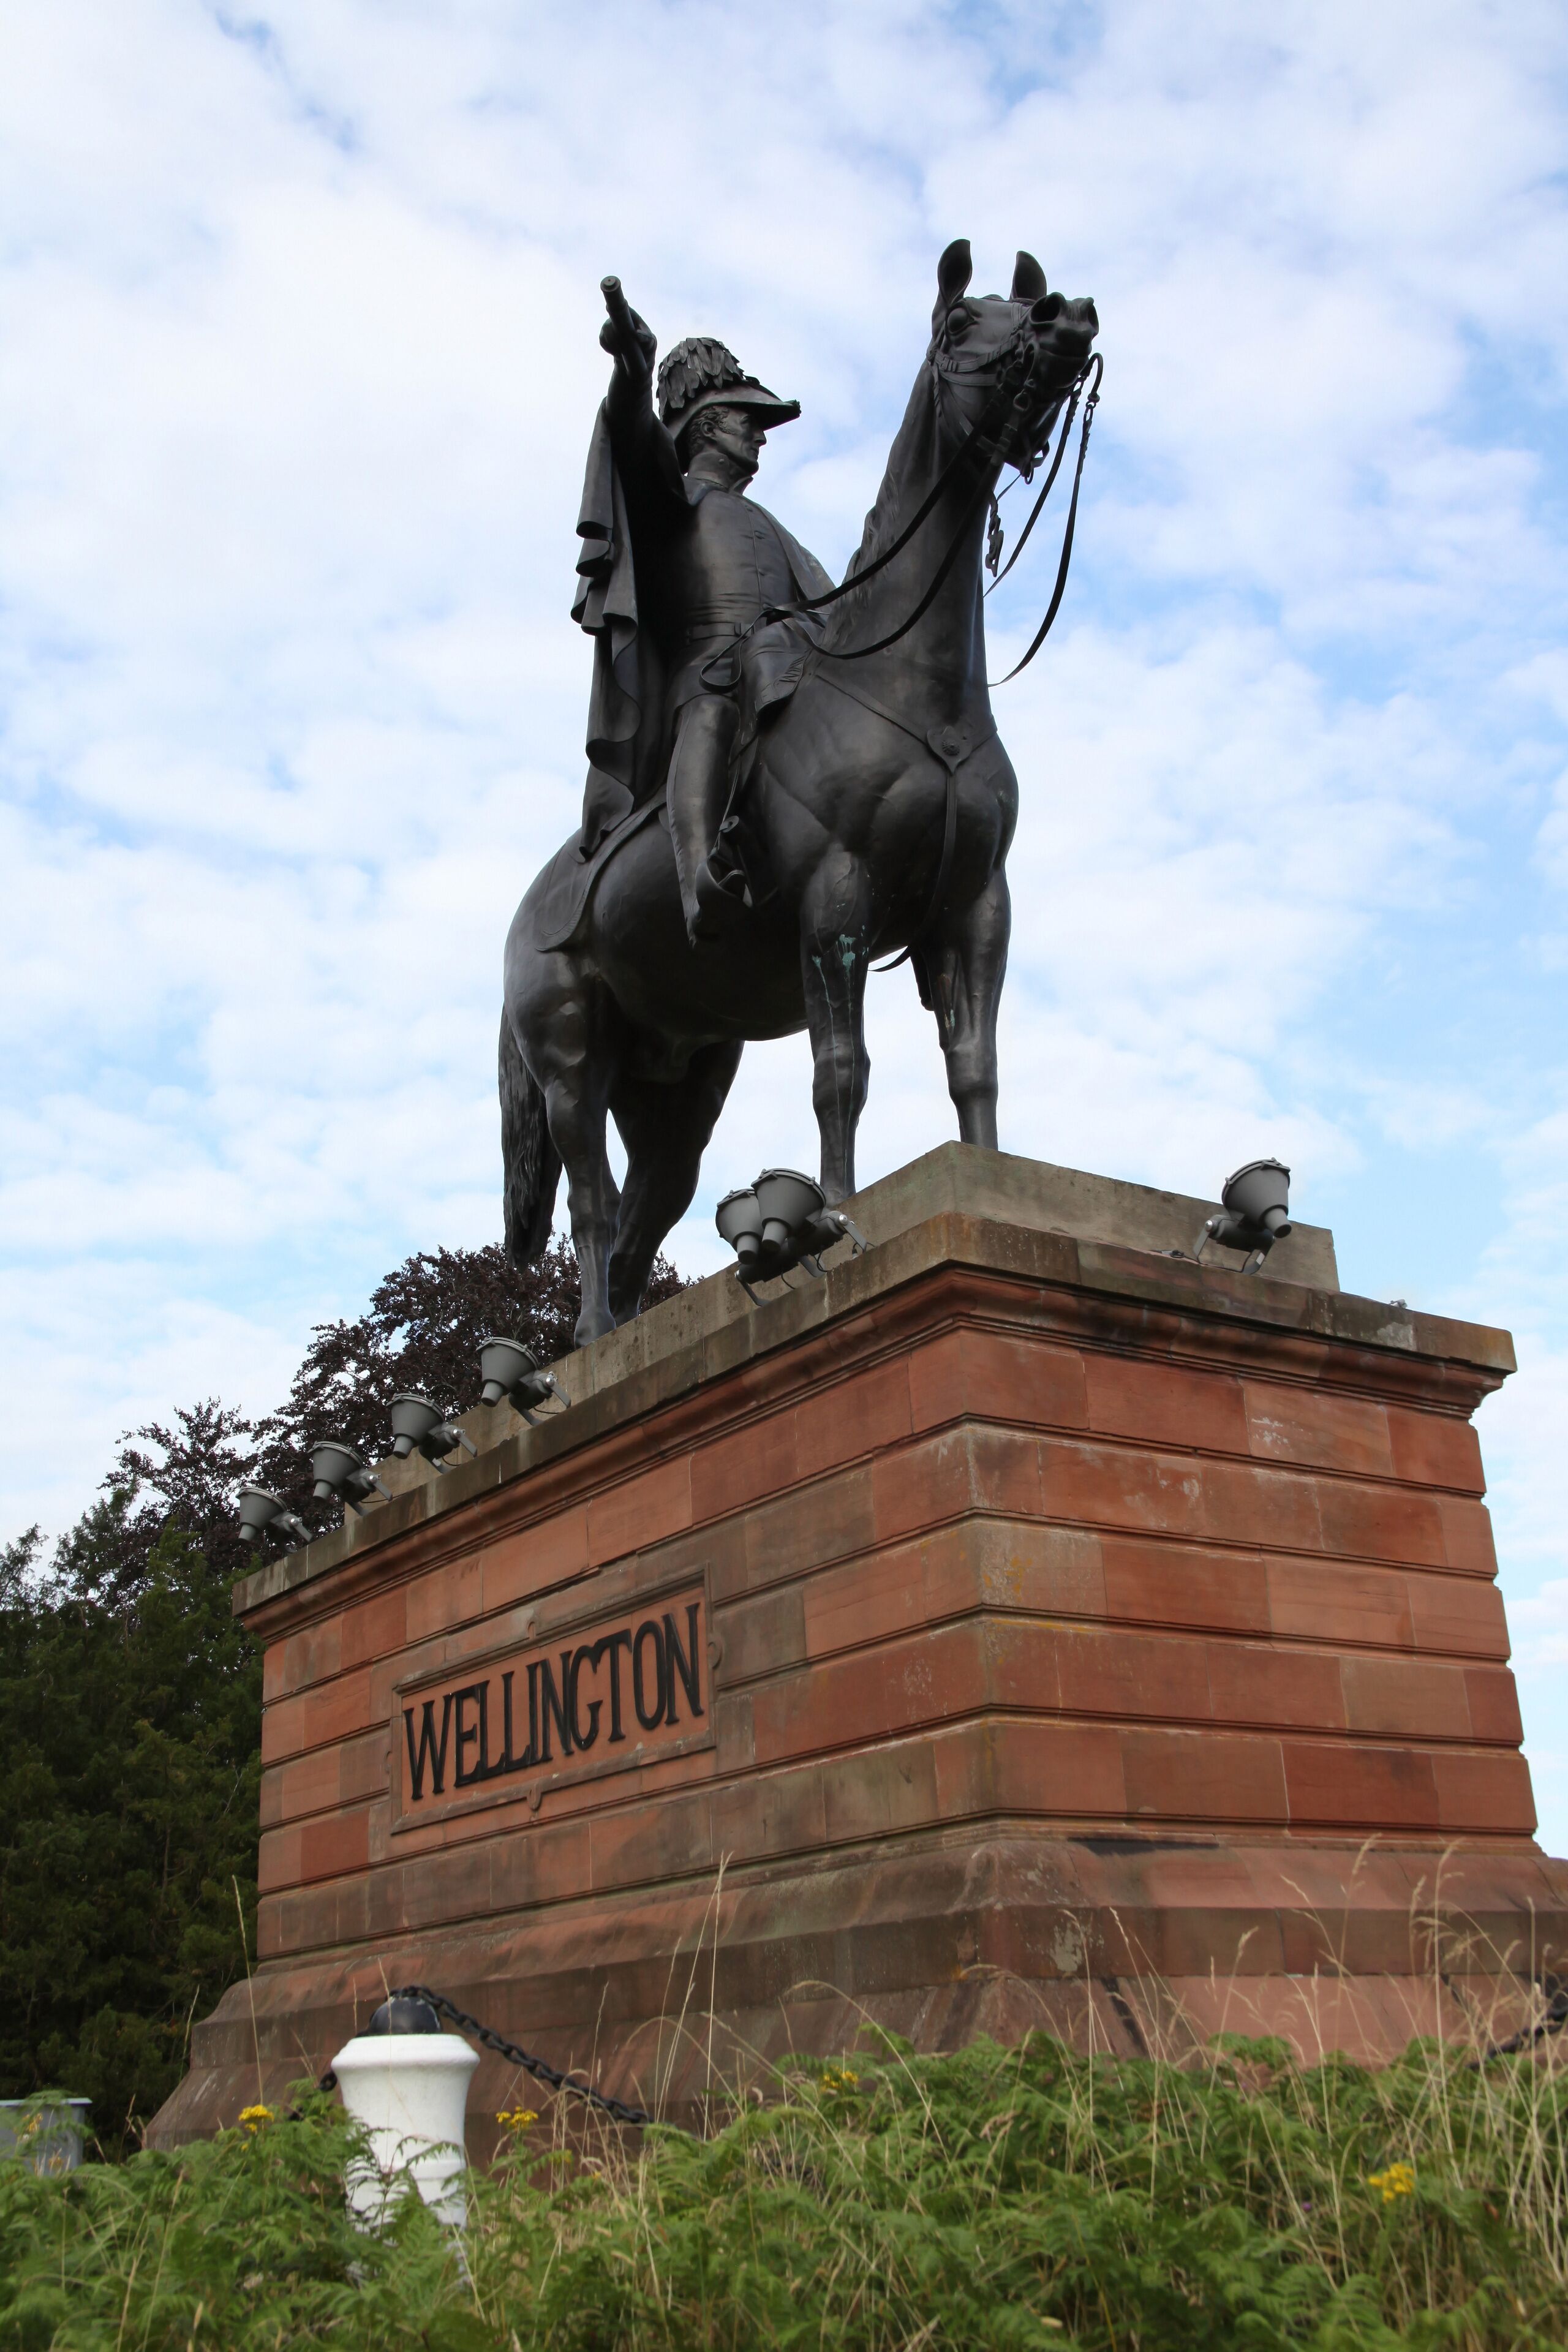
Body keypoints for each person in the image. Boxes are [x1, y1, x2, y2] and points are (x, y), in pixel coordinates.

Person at [571, 279, 834, 943]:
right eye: (750, 424)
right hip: (708, 674)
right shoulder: (671, 500)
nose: (761, 440)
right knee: (711, 713)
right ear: (707, 429)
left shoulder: (775, 530)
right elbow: (633, 437)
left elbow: (832, 607)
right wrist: (633, 369)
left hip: (787, 675)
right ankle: (699, 881)